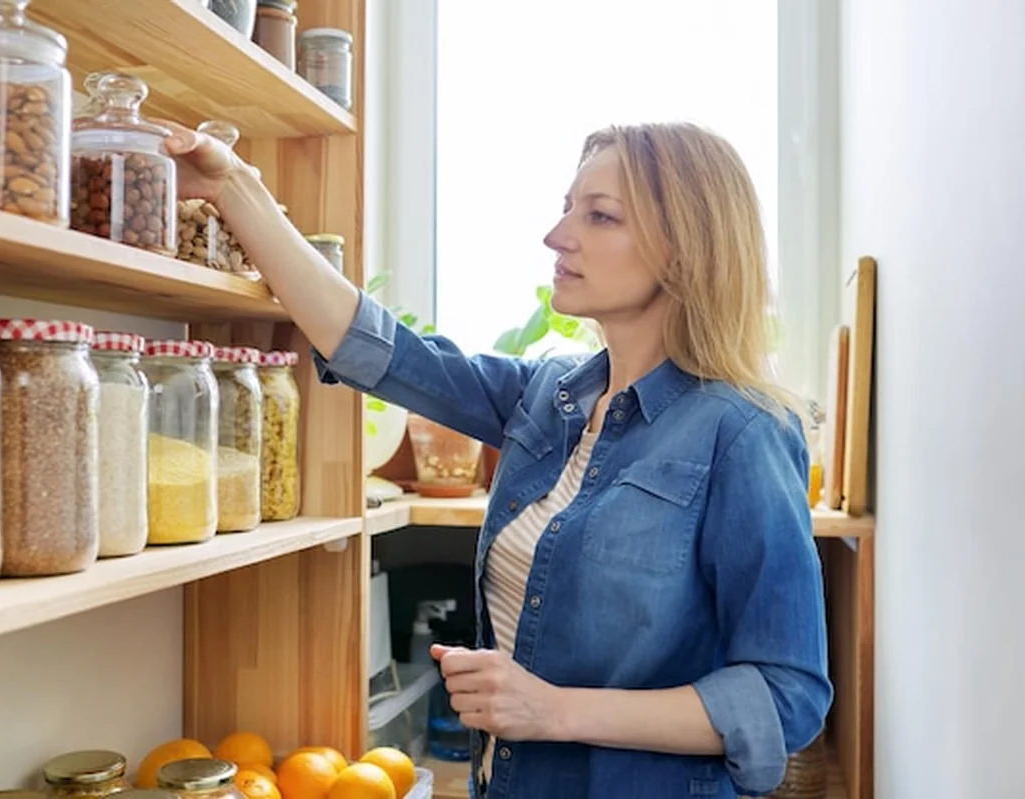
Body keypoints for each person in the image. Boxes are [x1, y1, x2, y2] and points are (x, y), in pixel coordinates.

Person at [163, 120, 832, 799]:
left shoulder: (744, 432)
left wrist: (554, 710)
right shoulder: (547, 395)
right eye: (567, 207)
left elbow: (785, 695)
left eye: (599, 215)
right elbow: (374, 346)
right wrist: (231, 185)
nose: (557, 235)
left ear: (683, 252)